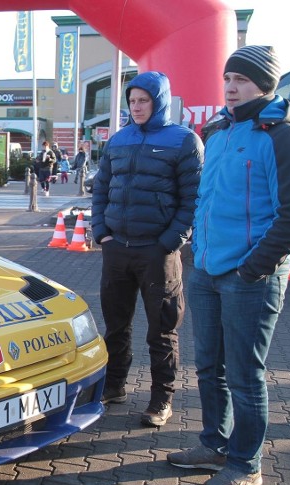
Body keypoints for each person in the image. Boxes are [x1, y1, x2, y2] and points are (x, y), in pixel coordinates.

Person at [167, 46, 290, 485]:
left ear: (266, 85)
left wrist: (253, 267)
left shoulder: (282, 136)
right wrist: (199, 252)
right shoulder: (220, 132)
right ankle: (214, 444)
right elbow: (208, 200)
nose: (231, 87)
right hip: (208, 271)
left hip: (249, 277)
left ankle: (246, 463)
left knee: (244, 374)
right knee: (209, 366)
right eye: (228, 78)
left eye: (243, 80)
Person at [90, 70, 203, 427]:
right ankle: (115, 386)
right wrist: (101, 233)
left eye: (143, 100)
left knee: (162, 330)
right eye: (132, 100)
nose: (136, 107)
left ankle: (161, 400)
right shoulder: (119, 140)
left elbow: (193, 199)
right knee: (116, 326)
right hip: (117, 250)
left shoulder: (184, 141)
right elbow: (100, 189)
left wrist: (169, 242)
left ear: (160, 101)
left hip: (158, 253)